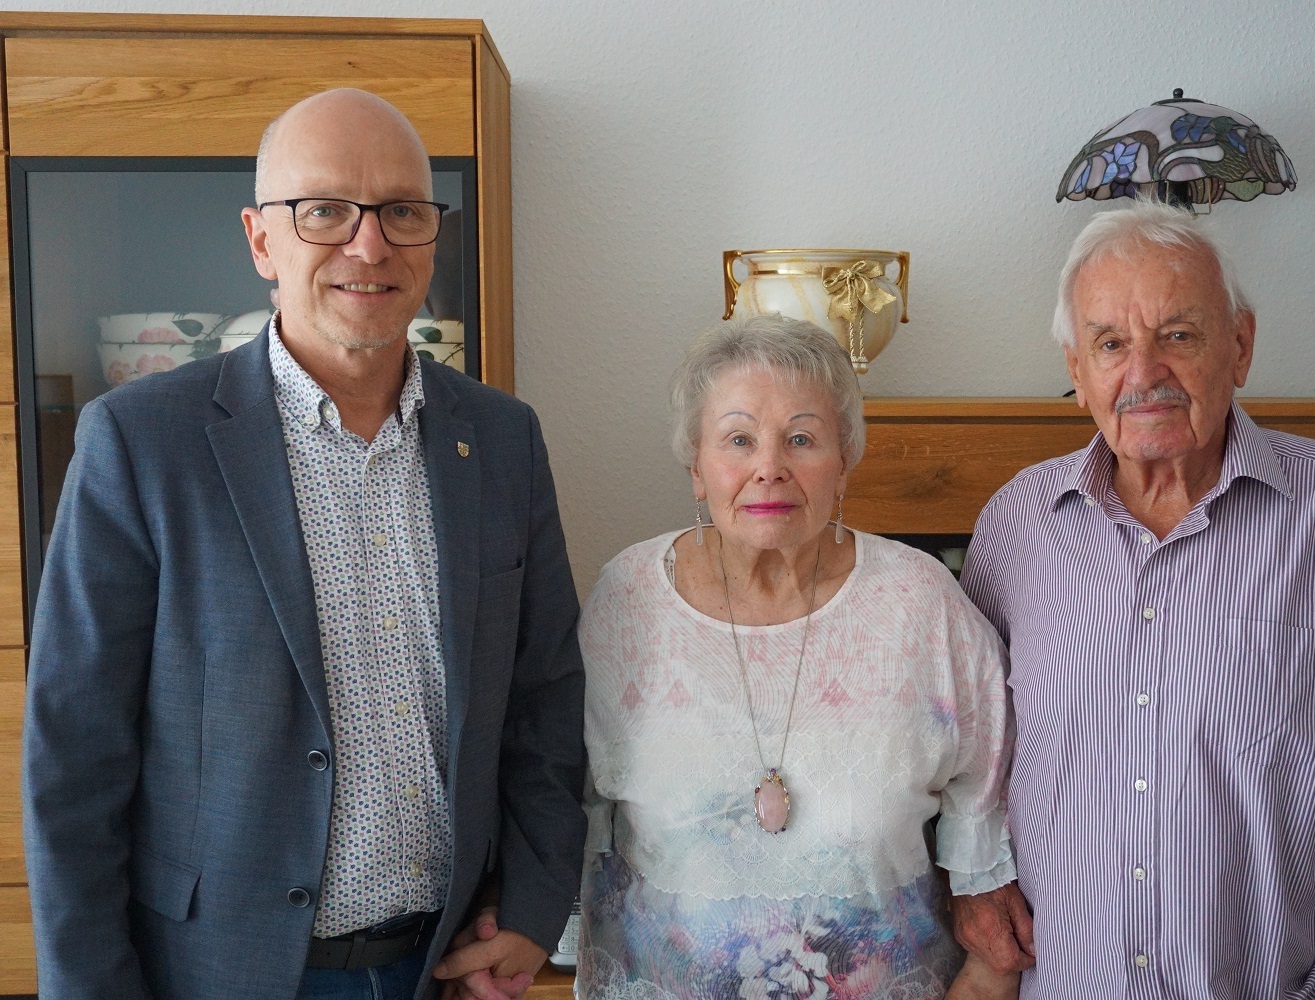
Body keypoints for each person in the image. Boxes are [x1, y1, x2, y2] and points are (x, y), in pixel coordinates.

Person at [22, 89, 586, 1000]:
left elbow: (546, 699)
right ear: (260, 241)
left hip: (439, 965)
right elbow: (74, 758)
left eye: (403, 211)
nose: (371, 246)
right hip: (216, 973)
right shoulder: (140, 439)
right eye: (324, 211)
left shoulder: (504, 440)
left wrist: (531, 907)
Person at [959, 199, 1315, 999]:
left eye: (1178, 335)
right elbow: (965, 753)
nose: (1143, 374)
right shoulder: (1014, 527)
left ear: (1239, 346)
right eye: (1110, 344)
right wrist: (974, 880)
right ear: (1076, 372)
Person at [575, 314, 1028, 1000]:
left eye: (801, 439)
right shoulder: (625, 602)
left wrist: (987, 950)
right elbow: (562, 796)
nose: (769, 468)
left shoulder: (918, 603)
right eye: (738, 439)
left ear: (844, 462)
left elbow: (987, 795)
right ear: (696, 467)